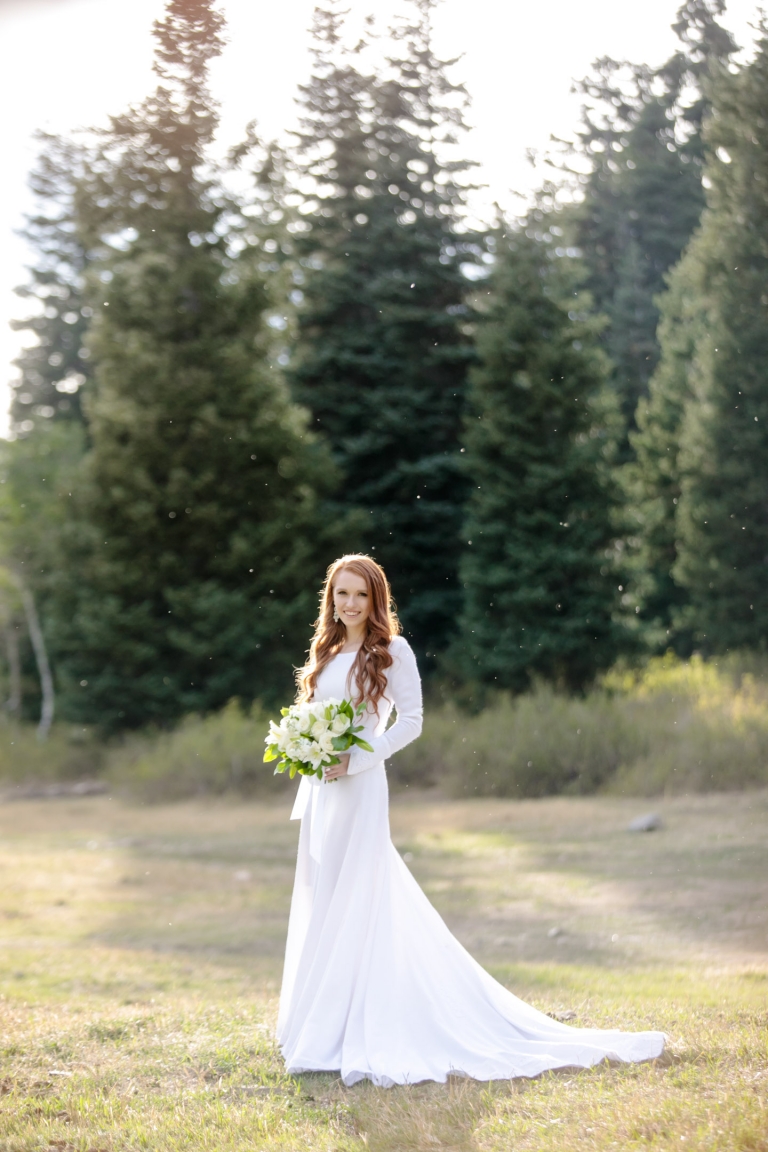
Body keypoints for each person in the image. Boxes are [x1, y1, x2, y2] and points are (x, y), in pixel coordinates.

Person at [277, 554, 665, 1087]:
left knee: (359, 894)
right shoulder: (325, 650)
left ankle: (365, 1022)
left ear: (376, 599)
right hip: (324, 791)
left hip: (360, 786)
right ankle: (323, 1021)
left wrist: (358, 759)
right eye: (341, 593)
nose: (350, 604)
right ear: (331, 598)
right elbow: (313, 716)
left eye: (361, 594)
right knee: (325, 893)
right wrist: (306, 748)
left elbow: (412, 721)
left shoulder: (393, 651)